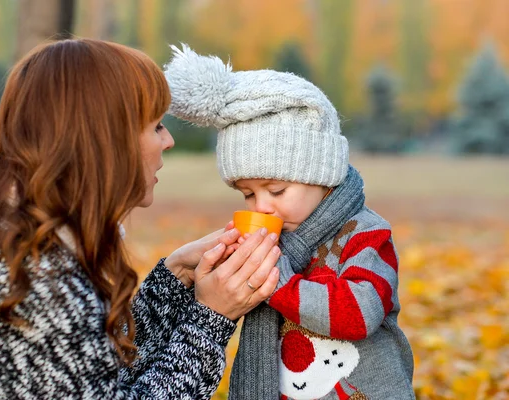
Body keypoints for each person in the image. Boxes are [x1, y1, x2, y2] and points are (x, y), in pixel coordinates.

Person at [0, 39, 282, 399]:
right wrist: (212, 317)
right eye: (154, 126)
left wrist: (172, 280)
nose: (167, 140)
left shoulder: (3, 238)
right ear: (107, 143)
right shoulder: (35, 283)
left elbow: (91, 367)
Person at [164, 45, 415, 400]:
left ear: (323, 178)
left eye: (276, 190)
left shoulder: (365, 235)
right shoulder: (275, 239)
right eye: (247, 195)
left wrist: (274, 280)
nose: (262, 206)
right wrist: (228, 275)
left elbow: (360, 314)